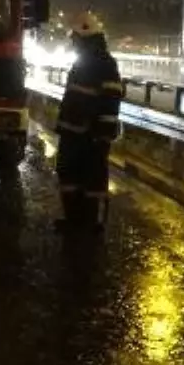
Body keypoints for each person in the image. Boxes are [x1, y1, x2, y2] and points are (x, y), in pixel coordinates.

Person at [54, 12, 123, 234]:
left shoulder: (104, 64)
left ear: (86, 37)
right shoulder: (83, 62)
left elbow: (111, 100)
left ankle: (91, 224)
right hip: (73, 132)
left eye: (75, 39)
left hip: (92, 135)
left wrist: (102, 134)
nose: (72, 43)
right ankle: (74, 220)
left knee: (91, 179)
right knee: (69, 175)